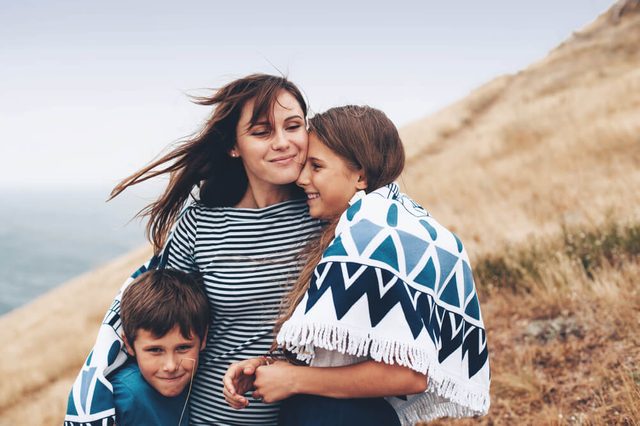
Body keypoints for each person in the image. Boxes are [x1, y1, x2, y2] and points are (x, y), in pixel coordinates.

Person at [65, 74, 322, 426]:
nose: (283, 142)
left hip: (309, 412)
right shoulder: (200, 226)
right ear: (234, 146)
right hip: (210, 418)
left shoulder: (327, 215)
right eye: (262, 132)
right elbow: (166, 313)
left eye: (293, 126)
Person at [223, 106, 491, 425]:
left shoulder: (374, 240)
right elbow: (350, 348)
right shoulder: (382, 224)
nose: (302, 178)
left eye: (316, 166)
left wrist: (294, 380)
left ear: (360, 175)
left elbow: (409, 374)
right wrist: (271, 367)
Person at [110, 269, 209, 425]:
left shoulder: (188, 385)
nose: (171, 366)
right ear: (128, 343)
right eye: (155, 350)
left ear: (203, 338)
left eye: (183, 348)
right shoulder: (125, 398)